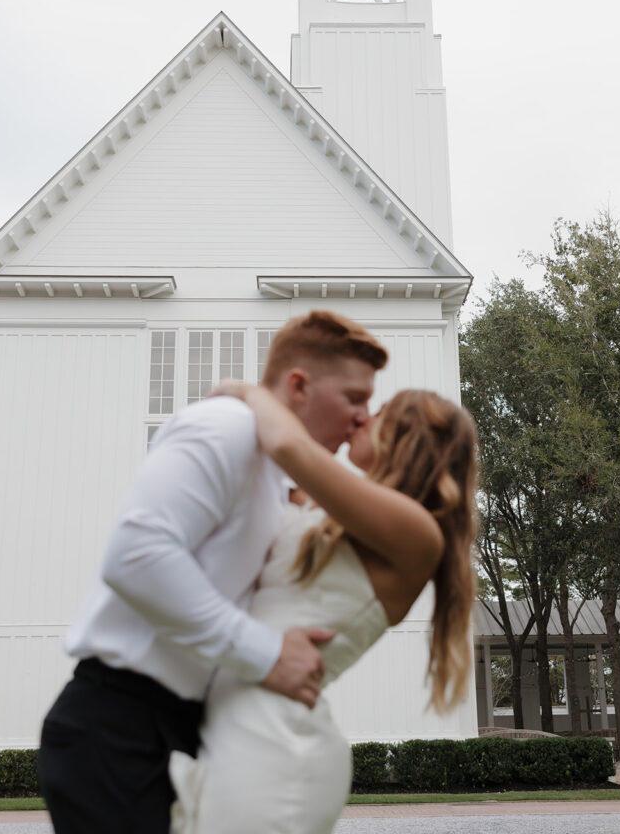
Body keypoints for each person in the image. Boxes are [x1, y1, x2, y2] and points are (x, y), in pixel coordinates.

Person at [37, 311, 388, 834]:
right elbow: (137, 553)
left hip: (180, 729)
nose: (364, 417)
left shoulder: (271, 469)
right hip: (116, 729)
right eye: (355, 398)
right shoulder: (223, 427)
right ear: (298, 384)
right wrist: (266, 653)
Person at [169, 382, 478, 834]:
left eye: (382, 412)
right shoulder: (336, 515)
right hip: (225, 721)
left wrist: (246, 391)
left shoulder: (418, 534)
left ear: (410, 439)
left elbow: (288, 445)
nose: (362, 418)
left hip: (275, 740)